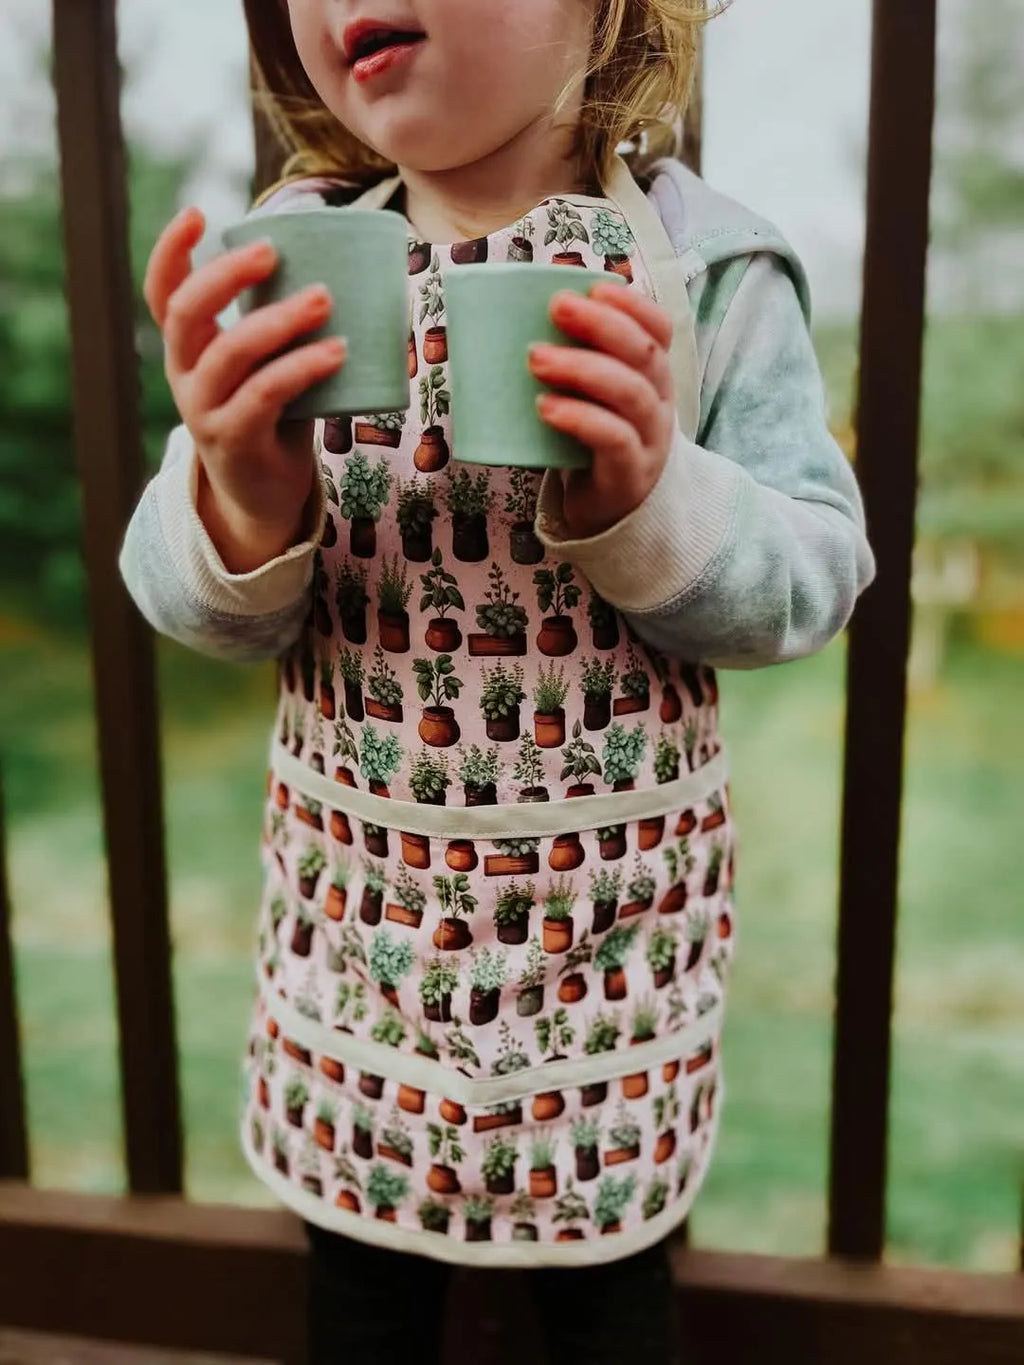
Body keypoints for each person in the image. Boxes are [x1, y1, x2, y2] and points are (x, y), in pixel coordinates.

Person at [121, 0, 876, 1359]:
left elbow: (817, 575)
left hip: (610, 983)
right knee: (361, 1314)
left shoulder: (705, 271)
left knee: (611, 1320)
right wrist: (240, 496)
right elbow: (190, 605)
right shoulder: (290, 264)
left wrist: (652, 501)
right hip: (365, 977)